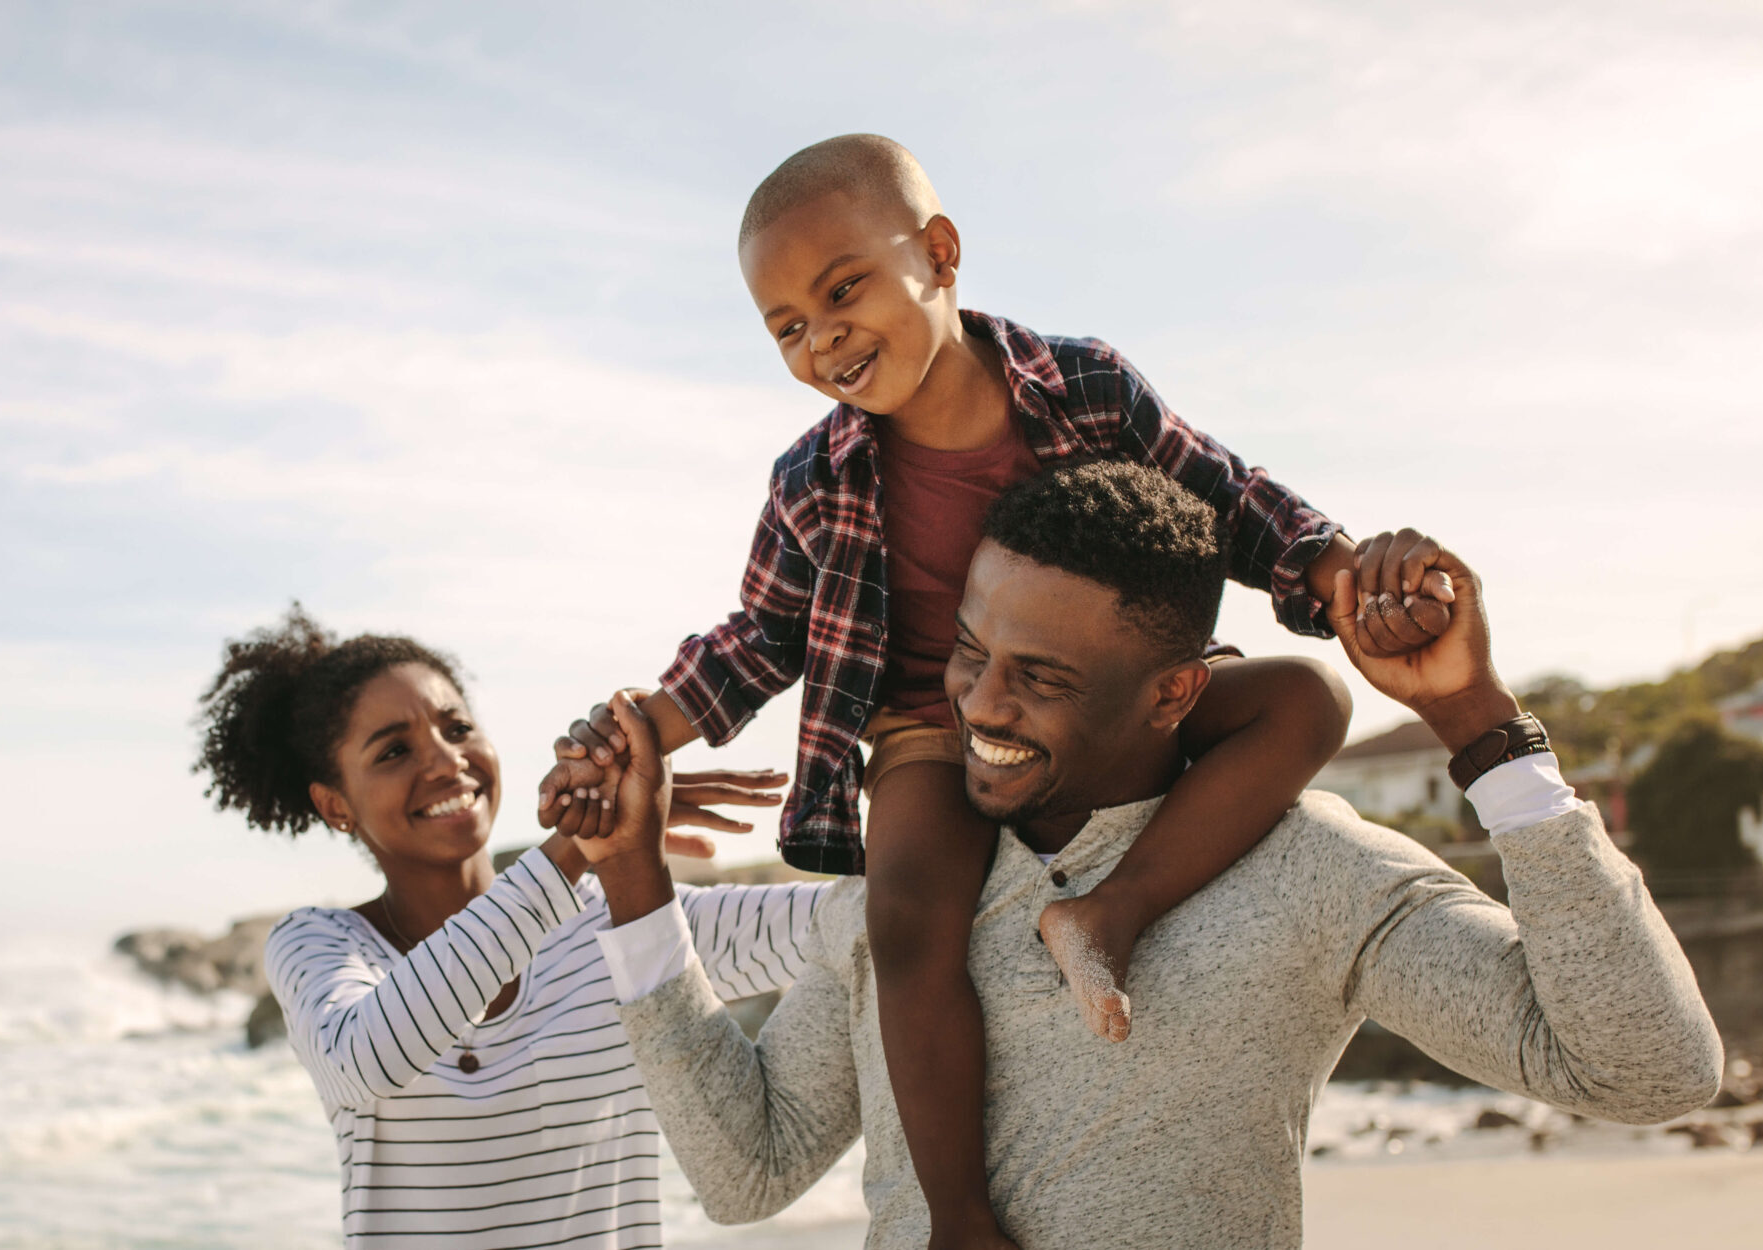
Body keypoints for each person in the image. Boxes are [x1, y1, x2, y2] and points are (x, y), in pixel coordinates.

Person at [537, 133, 1454, 1248]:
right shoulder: (812, 478)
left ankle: (1107, 909)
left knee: (1306, 701)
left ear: (938, 251)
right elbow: (759, 637)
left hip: (1105, 695)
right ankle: (959, 1216)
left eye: (841, 290)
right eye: (785, 326)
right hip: (929, 722)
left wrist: (1337, 568)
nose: (822, 337)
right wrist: (642, 728)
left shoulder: (1083, 387)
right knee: (911, 918)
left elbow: (1229, 496)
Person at [580, 462, 1722, 1250]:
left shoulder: (1306, 871)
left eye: (1041, 676)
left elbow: (1648, 1067)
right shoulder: (903, 894)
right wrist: (635, 881)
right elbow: (746, 1171)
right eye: (971, 652)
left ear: (1175, 690)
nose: (979, 701)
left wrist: (1479, 726)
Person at [190, 607, 823, 1249]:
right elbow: (364, 1060)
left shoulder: (626, 919)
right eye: (394, 750)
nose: (446, 761)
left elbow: (849, 927)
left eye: (458, 727)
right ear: (335, 804)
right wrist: (582, 839)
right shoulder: (319, 943)